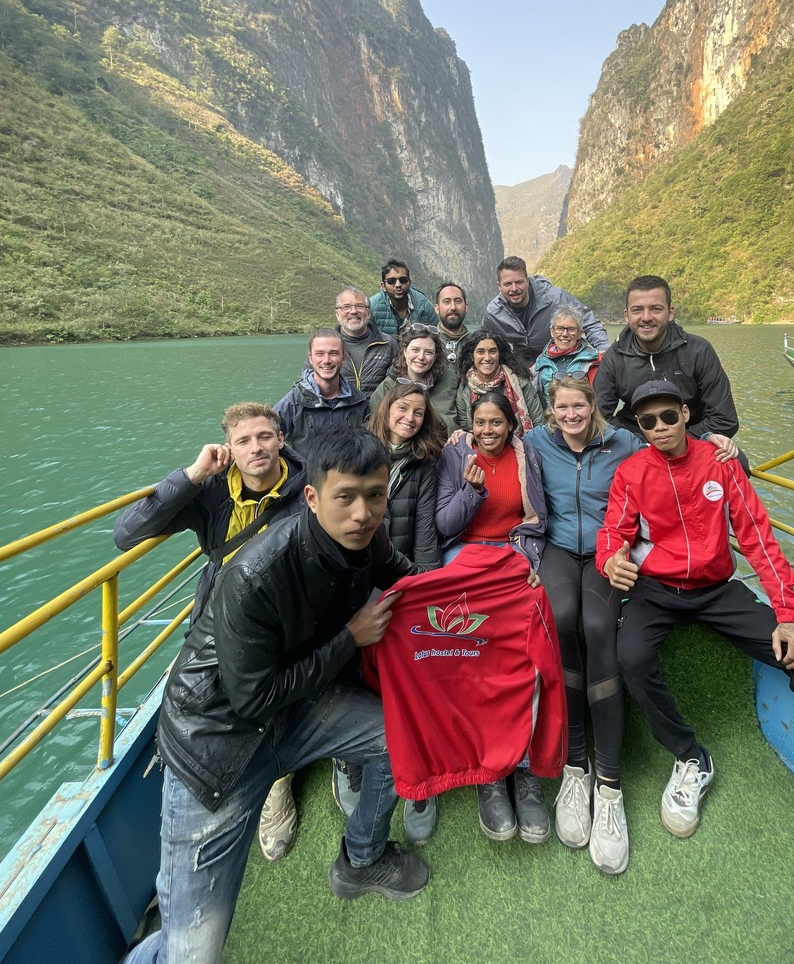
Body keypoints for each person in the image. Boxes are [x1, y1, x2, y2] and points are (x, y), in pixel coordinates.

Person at [597, 378, 794, 921]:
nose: (660, 428)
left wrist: (791, 616)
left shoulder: (720, 463)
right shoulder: (631, 472)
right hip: (656, 591)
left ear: (686, 414)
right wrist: (610, 560)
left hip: (718, 590)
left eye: (668, 416)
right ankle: (690, 757)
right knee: (631, 659)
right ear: (639, 428)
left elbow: (758, 537)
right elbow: (614, 532)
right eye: (648, 422)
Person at [124, 427, 428, 964]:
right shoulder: (254, 575)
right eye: (345, 497)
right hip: (218, 744)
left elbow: (410, 581)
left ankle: (361, 859)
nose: (362, 514)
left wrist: (486, 590)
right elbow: (252, 698)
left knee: (397, 738)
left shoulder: (368, 538)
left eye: (375, 496)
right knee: (192, 952)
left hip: (295, 707)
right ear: (311, 497)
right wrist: (349, 638)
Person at [113, 402, 308, 865]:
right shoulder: (213, 491)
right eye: (244, 441)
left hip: (287, 613)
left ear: (281, 439)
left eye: (264, 436)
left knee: (279, 689)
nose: (256, 447)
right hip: (221, 615)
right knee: (214, 693)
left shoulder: (307, 489)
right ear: (229, 448)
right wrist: (192, 475)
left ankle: (278, 781)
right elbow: (127, 533)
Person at [524, 376, 643, 870]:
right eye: (562, 408)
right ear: (551, 411)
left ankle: (609, 785)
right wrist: (460, 437)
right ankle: (576, 765)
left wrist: (726, 450)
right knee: (561, 617)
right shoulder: (536, 442)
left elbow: (671, 453)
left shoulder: (623, 442)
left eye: (579, 406)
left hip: (605, 550)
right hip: (557, 547)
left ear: (593, 406)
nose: (571, 415)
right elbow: (490, 440)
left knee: (597, 625)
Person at [435, 391, 550, 845]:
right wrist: (472, 491)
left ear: (510, 425)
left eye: (496, 422)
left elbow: (538, 520)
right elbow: (446, 526)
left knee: (525, 651)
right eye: (480, 422)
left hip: (512, 553)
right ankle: (488, 770)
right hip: (465, 555)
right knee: (468, 653)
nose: (488, 431)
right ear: (471, 424)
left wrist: (530, 562)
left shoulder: (527, 456)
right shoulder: (454, 456)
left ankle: (523, 766)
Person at [366, 383, 445, 841]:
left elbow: (424, 531)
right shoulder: (361, 450)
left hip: (402, 574)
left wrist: (422, 588)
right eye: (403, 408)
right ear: (386, 408)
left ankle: (421, 774)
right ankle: (353, 763)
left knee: (416, 668)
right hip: (358, 578)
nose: (410, 418)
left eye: (418, 412)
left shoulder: (424, 462)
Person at [593, 275, 740, 441]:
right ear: (627, 315)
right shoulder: (614, 357)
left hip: (692, 438)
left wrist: (677, 444)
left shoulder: (698, 351)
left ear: (670, 313)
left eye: (656, 309)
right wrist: (637, 445)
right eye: (637, 310)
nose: (646, 317)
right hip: (636, 441)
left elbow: (724, 420)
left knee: (736, 457)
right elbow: (598, 418)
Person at [483, 255, 608, 367]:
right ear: (499, 286)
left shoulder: (555, 298)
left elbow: (588, 321)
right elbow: (484, 342)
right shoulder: (494, 313)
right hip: (522, 369)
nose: (514, 288)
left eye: (519, 282)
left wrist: (604, 349)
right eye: (507, 284)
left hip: (560, 364)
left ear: (527, 281)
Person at [274, 330, 368, 455]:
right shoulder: (293, 401)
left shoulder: (358, 401)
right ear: (310, 358)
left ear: (343, 358)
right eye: (320, 354)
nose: (326, 360)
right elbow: (268, 438)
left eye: (333, 353)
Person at [369, 324, 458, 435]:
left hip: (439, 443)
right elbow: (377, 428)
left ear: (435, 357)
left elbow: (458, 424)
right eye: (415, 350)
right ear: (405, 351)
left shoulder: (450, 381)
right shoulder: (386, 388)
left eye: (428, 352)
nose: (421, 357)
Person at [454, 327, 545, 434]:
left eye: (492, 351)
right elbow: (466, 429)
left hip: (523, 441)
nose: (487, 358)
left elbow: (538, 423)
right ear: (471, 356)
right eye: (480, 352)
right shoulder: (465, 388)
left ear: (499, 354)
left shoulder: (520, 383)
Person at [532, 304, 604, 405]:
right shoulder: (539, 365)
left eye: (571, 329)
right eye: (560, 328)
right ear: (552, 332)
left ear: (580, 333)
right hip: (549, 415)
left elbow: (603, 400)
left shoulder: (595, 362)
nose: (565, 334)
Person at [335, 287, 397, 396]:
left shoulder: (388, 343)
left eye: (359, 306)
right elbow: (309, 384)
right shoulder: (324, 345)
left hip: (379, 407)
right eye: (346, 307)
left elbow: (400, 383)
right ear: (338, 314)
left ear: (368, 312)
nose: (353, 311)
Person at [369, 258, 437, 337]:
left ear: (409, 283)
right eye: (391, 281)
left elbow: (437, 336)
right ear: (383, 286)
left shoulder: (425, 306)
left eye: (403, 280)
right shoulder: (372, 307)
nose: (398, 285)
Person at [434, 281, 470, 367]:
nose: (453, 307)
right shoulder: (428, 343)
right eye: (447, 302)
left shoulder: (476, 343)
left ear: (466, 307)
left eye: (458, 301)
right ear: (437, 309)